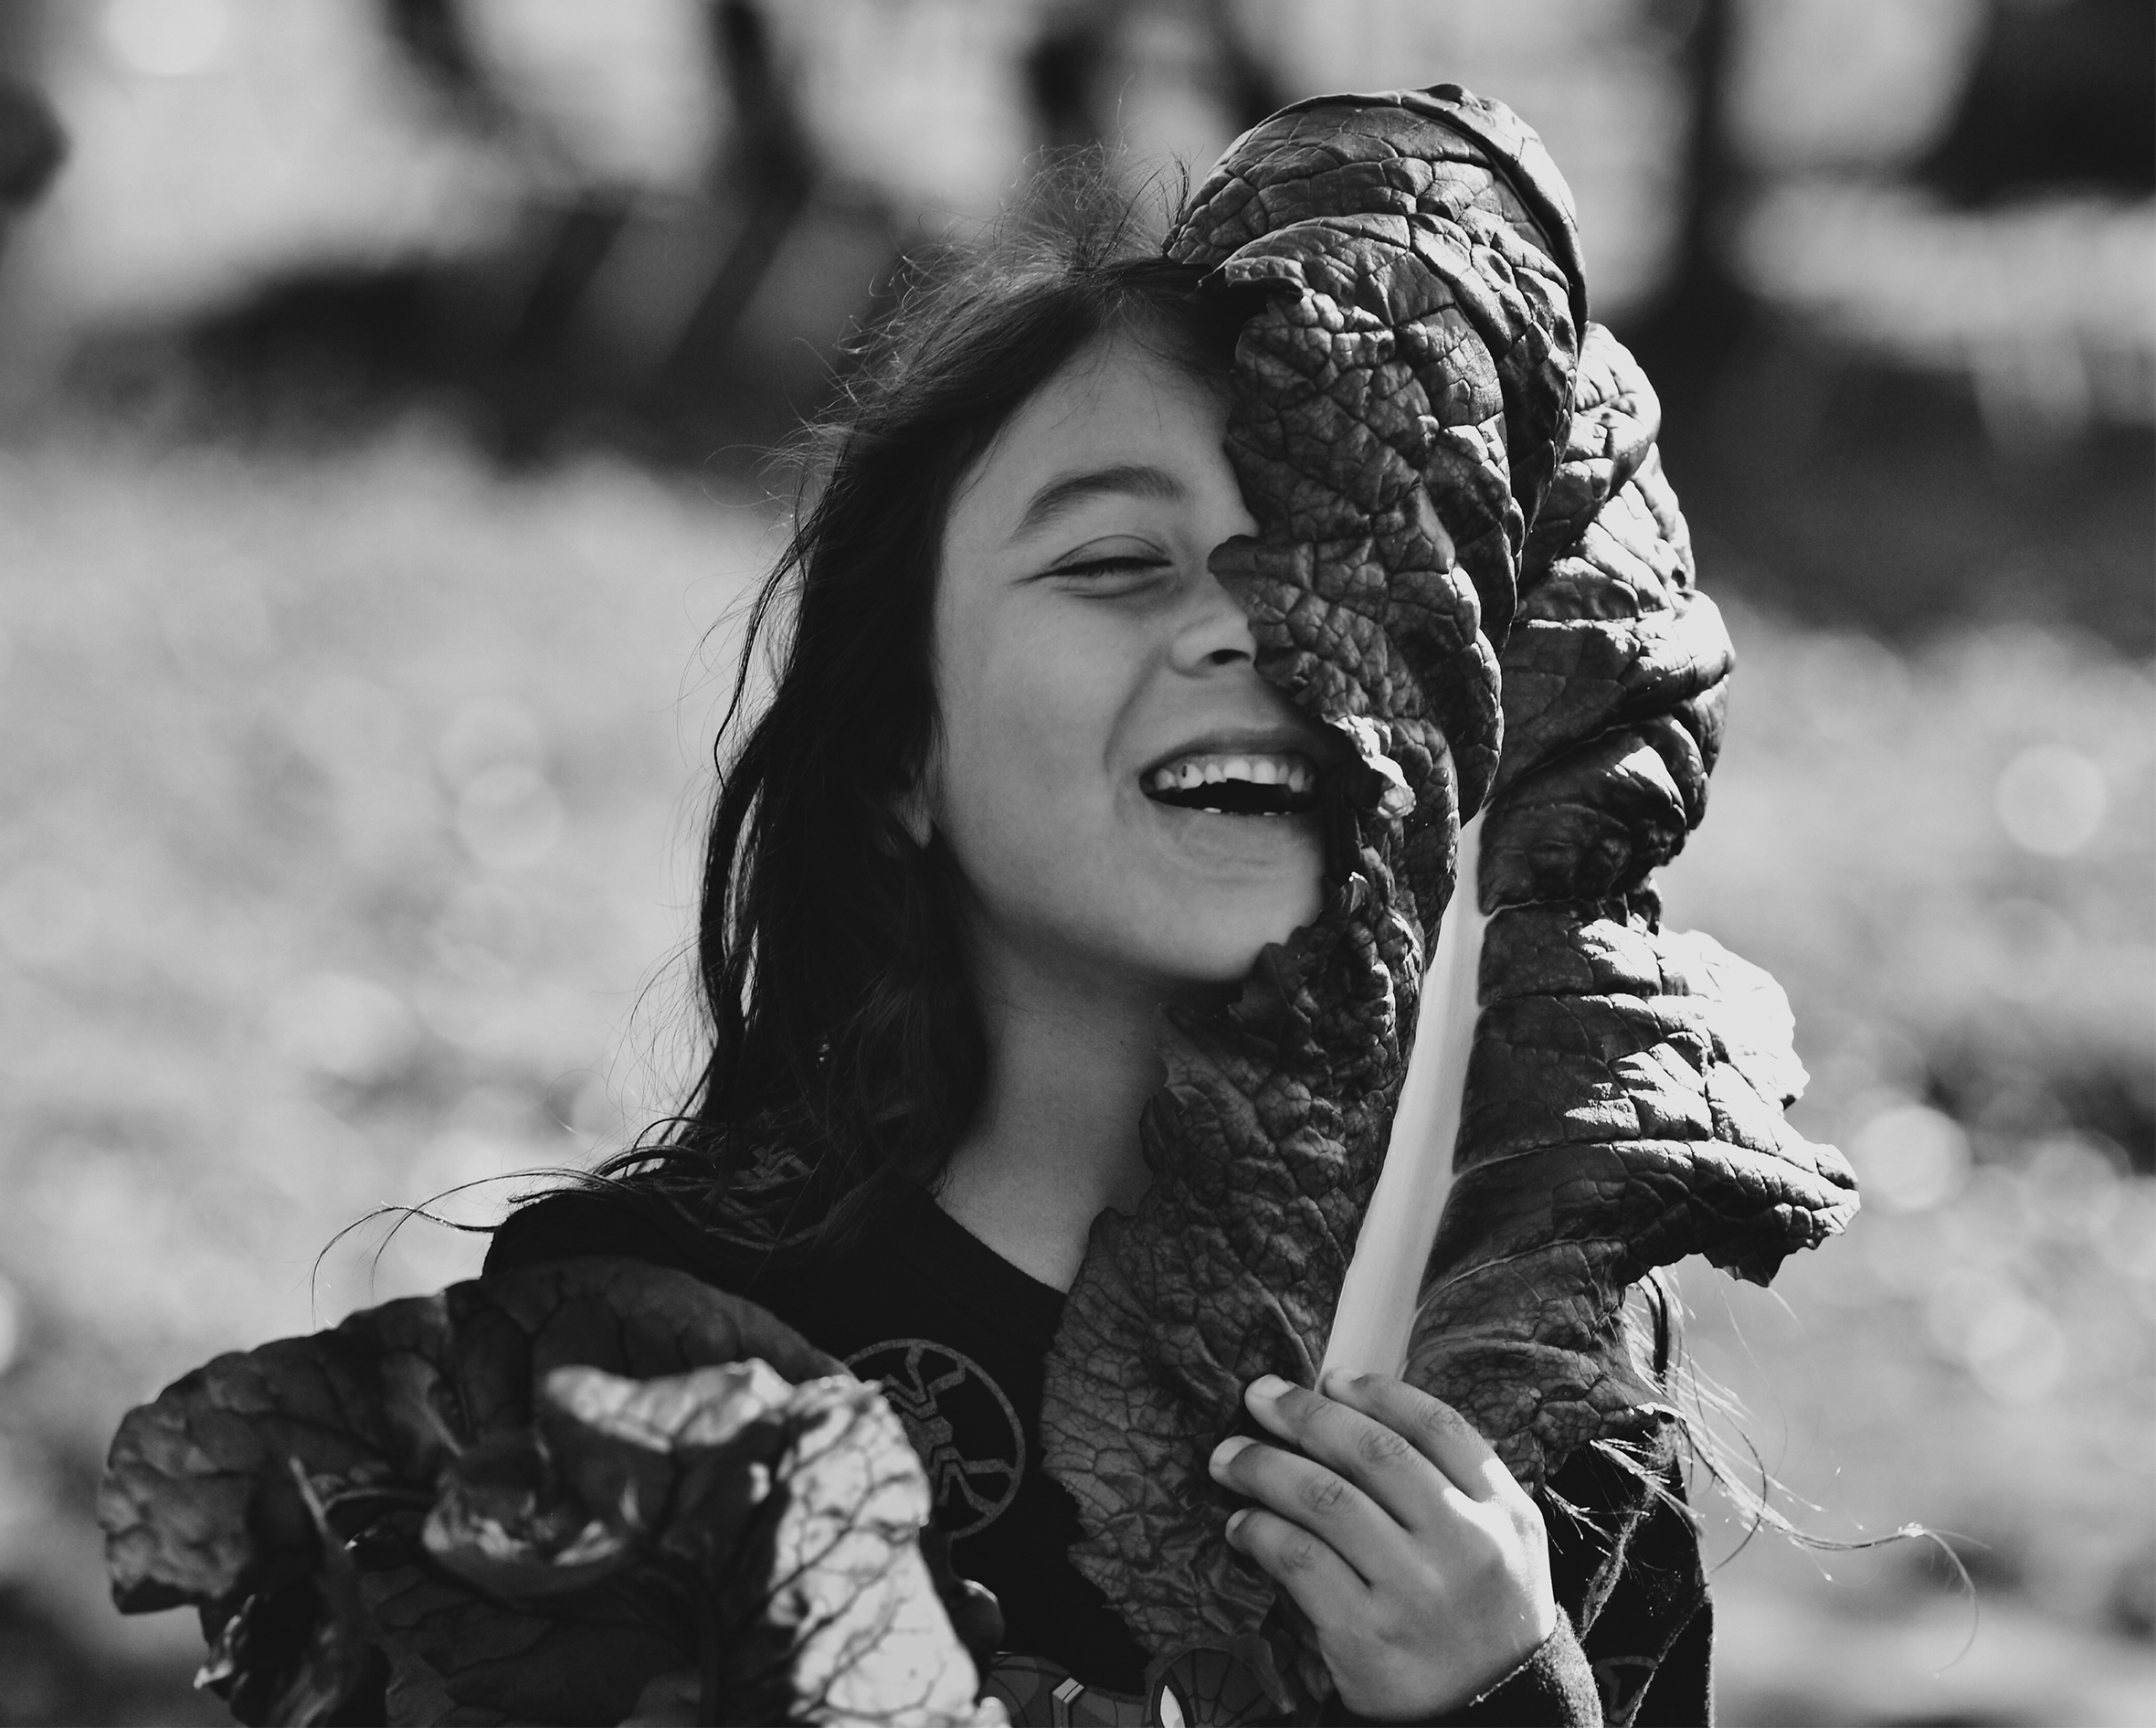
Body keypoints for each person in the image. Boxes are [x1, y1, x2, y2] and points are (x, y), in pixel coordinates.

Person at [488, 187, 1710, 1726]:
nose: (1259, 630)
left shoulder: (1555, 1453)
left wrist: (1505, 1700)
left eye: (1332, 569)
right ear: (895, 758)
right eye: (1120, 558)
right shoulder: (639, 1339)